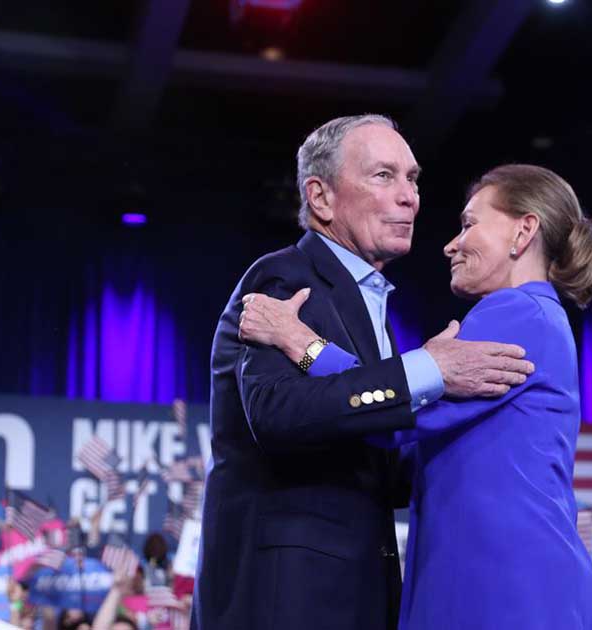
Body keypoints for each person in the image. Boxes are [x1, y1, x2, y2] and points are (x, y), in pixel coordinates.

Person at [194, 115, 537, 630]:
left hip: (357, 597)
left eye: (413, 178)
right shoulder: (285, 278)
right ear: (321, 197)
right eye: (383, 175)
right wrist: (429, 369)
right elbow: (275, 413)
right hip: (285, 601)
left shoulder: (367, 303)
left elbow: (376, 465)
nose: (409, 197)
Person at [238, 164, 592, 628]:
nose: (452, 244)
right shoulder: (538, 315)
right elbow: (410, 438)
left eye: (469, 224)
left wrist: (303, 343)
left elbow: (391, 418)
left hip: (502, 590)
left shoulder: (517, 311)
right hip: (505, 583)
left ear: (524, 230)